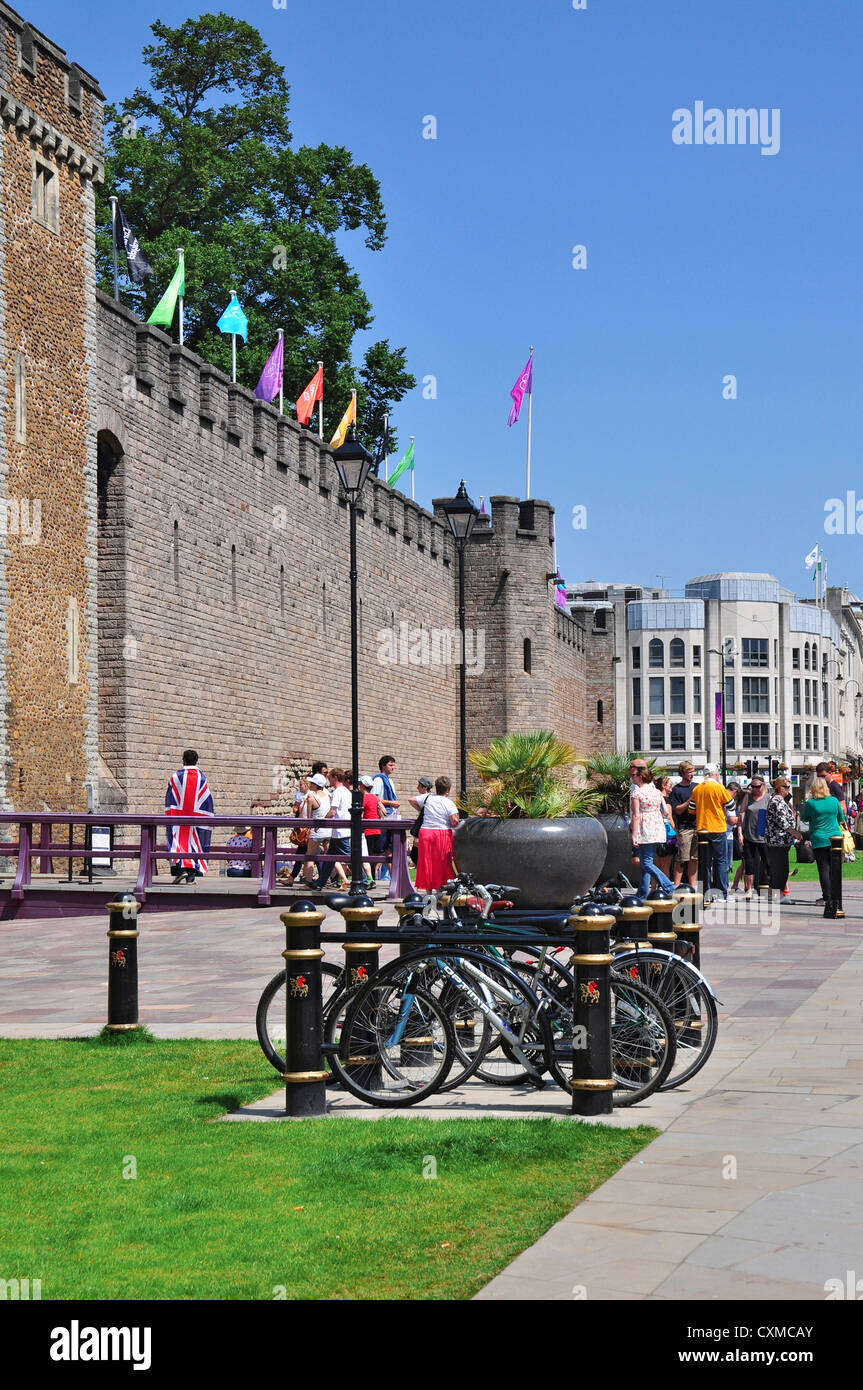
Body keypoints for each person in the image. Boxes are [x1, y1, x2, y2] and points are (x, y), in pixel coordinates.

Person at [688, 764, 737, 901]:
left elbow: (691, 809)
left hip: (702, 828)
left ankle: (706, 893)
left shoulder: (697, 788)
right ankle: (722, 893)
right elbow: (731, 805)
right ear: (716, 774)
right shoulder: (718, 787)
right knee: (721, 861)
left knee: (705, 862)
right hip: (718, 828)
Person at [165, 749, 214, 884]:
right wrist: (207, 819)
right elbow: (207, 800)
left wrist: (169, 815)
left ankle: (181, 871)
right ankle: (191, 877)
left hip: (178, 819)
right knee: (194, 845)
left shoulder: (176, 777)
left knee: (178, 843)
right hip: (196, 819)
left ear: (184, 760)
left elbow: (170, 798)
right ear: (196, 761)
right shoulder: (202, 778)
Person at [629, 759, 675, 898]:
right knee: (645, 862)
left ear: (640, 776)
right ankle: (642, 894)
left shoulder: (637, 793)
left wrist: (634, 835)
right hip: (656, 827)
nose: (632, 777)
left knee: (647, 863)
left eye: (634, 775)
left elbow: (636, 815)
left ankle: (668, 886)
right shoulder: (657, 792)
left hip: (645, 828)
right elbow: (665, 811)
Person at [800, 775, 847, 911]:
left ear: (814, 788)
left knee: (824, 868)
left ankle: (827, 897)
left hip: (819, 838)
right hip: (835, 838)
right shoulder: (833, 801)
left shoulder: (811, 803)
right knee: (835, 869)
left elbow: (804, 818)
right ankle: (836, 896)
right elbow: (841, 818)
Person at [409, 776, 460, 891]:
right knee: (442, 863)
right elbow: (454, 821)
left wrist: (421, 810)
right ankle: (440, 891)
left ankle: (428, 893)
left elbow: (411, 800)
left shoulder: (428, 797)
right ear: (448, 790)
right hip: (441, 833)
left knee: (427, 863)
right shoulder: (449, 802)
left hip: (426, 832)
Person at [737, 774, 771, 899]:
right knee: (749, 864)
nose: (755, 789)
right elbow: (741, 816)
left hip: (763, 835)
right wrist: (740, 833)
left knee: (768, 863)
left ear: (763, 785)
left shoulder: (768, 798)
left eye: (757, 787)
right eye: (753, 786)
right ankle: (749, 889)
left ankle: (770, 888)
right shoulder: (748, 797)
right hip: (749, 835)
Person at [318, 768, 351, 889]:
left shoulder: (337, 792)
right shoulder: (347, 791)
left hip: (340, 831)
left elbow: (333, 812)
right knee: (329, 859)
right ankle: (320, 882)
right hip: (340, 831)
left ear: (335, 777)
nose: (329, 780)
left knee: (349, 858)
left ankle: (364, 880)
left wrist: (321, 821)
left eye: (330, 778)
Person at [297, 772, 331, 888]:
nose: (310, 784)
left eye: (312, 783)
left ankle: (308, 882)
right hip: (328, 829)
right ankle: (332, 878)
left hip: (316, 830)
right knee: (330, 856)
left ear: (315, 785)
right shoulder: (328, 796)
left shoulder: (311, 797)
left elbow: (308, 817)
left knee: (310, 856)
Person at [764, 776, 797, 899]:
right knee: (780, 869)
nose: (788, 789)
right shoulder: (776, 801)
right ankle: (778, 894)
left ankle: (774, 893)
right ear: (778, 787)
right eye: (785, 787)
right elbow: (782, 822)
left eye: (789, 787)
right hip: (778, 840)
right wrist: (795, 833)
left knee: (781, 868)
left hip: (782, 840)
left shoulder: (781, 801)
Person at [372, 755, 399, 880]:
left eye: (394, 765)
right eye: (390, 765)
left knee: (390, 848)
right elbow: (375, 799)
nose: (393, 767)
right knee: (380, 849)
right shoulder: (378, 780)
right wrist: (390, 803)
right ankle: (374, 875)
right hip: (382, 818)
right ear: (383, 765)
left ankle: (393, 876)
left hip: (391, 817)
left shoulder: (390, 781)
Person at [671, 761, 698, 889]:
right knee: (681, 859)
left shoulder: (697, 787)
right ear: (682, 773)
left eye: (693, 771)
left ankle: (692, 886)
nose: (692, 774)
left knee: (694, 859)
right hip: (684, 828)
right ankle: (676, 885)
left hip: (698, 827)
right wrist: (690, 800)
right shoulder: (677, 790)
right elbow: (677, 810)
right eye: (689, 772)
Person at [360, 775, 387, 884]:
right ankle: (373, 878)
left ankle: (369, 880)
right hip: (377, 830)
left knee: (368, 855)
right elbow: (384, 810)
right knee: (374, 856)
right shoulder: (375, 798)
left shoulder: (364, 798)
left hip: (368, 830)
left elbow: (360, 815)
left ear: (362, 786)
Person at [655, 774, 676, 881]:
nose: (672, 786)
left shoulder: (655, 798)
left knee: (657, 864)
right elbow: (670, 818)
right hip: (667, 835)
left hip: (657, 833)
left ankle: (653, 888)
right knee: (666, 865)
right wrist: (675, 832)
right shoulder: (666, 802)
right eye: (670, 784)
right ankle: (666, 887)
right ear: (664, 786)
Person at [409, 776, 434, 865]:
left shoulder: (425, 796)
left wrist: (420, 810)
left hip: (424, 828)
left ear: (425, 787)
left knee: (416, 853)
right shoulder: (433, 797)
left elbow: (411, 800)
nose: (417, 787)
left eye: (419, 785)